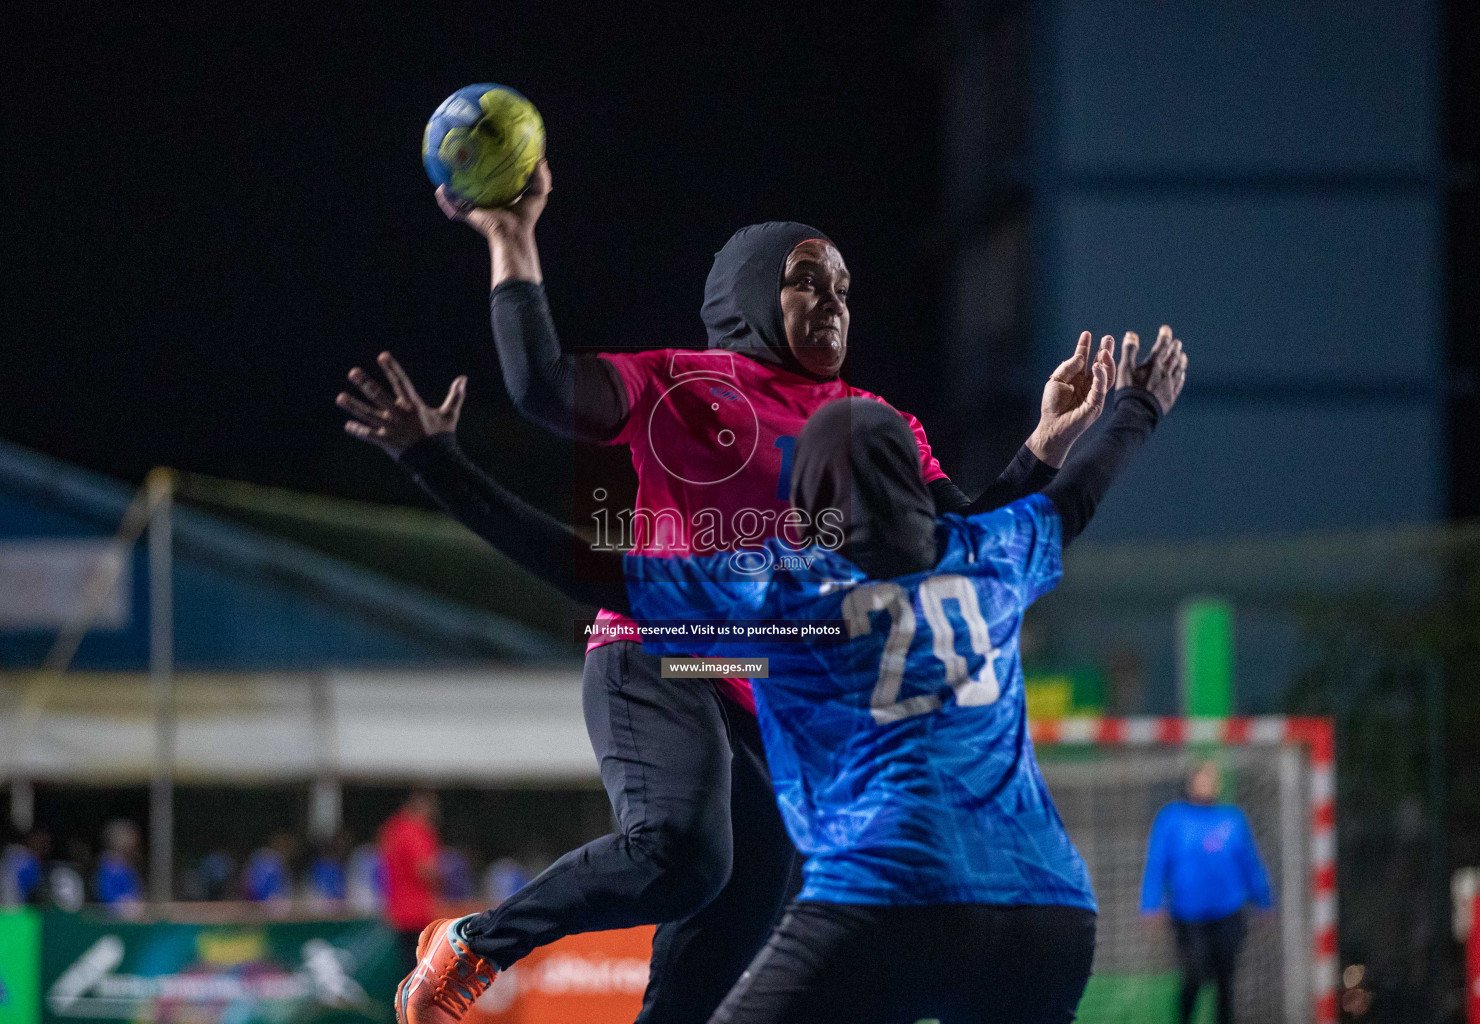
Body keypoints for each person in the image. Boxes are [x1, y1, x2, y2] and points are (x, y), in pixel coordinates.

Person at [341, 159, 1123, 1024]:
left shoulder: (878, 422)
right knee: (682, 853)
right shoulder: (678, 382)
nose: (834, 301)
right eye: (806, 281)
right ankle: (476, 941)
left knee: (717, 957)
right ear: (749, 293)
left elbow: (960, 554)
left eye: (845, 288)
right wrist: (513, 238)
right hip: (655, 652)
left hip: (770, 689)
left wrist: (1044, 446)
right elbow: (540, 387)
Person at [1141, 760, 1273, 1024]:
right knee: (1194, 973)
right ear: (1191, 782)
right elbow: (1157, 863)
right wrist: (1150, 905)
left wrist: (1264, 900)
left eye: (1211, 779)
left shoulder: (1232, 819)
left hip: (1229, 911)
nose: (1206, 784)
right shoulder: (1172, 818)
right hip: (1188, 914)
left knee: (1226, 979)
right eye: (1201, 778)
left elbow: (1249, 863)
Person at [380, 791, 442, 965]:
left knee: (407, 963)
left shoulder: (393, 829)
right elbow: (424, 869)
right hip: (416, 911)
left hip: (397, 908)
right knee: (419, 967)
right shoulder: (416, 831)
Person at [95, 819, 143, 915]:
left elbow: (134, 890)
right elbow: (105, 893)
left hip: (130, 911)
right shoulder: (107, 864)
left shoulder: (128, 865)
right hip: (110, 915)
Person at [0, 828, 50, 907]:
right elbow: (37, 887)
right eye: (42, 842)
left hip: (0, 907)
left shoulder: (9, 852)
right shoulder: (26, 859)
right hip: (15, 909)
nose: (44, 848)